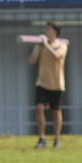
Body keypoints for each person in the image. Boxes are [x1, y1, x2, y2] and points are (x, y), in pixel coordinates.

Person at [29, 21, 68, 149]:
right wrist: (38, 46)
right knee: (39, 108)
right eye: (45, 29)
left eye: (48, 29)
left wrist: (46, 45)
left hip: (57, 84)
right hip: (42, 82)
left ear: (55, 32)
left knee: (56, 111)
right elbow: (31, 61)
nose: (46, 32)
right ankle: (42, 138)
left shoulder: (62, 45)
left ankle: (56, 139)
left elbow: (58, 56)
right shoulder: (41, 46)